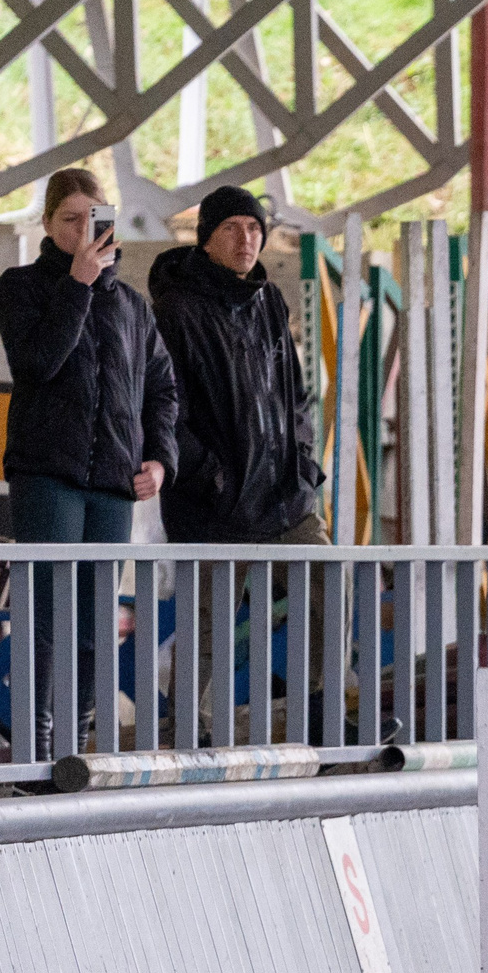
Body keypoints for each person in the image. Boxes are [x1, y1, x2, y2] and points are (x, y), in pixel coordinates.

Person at [0, 167, 179, 765]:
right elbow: (38, 364)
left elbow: (161, 389)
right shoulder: (20, 286)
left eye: (92, 219)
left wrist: (160, 457)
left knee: (98, 619)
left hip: (112, 482)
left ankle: (77, 750)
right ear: (48, 225)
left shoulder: (131, 305)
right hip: (47, 471)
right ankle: (34, 748)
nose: (82, 230)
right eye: (69, 219)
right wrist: (76, 285)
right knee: (47, 613)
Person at [148, 186, 328, 737]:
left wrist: (302, 463)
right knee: (208, 620)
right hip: (216, 502)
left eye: (254, 228)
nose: (246, 238)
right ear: (206, 239)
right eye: (231, 228)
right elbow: (165, 407)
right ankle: (188, 726)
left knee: (331, 580)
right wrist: (215, 479)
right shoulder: (175, 311)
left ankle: (319, 710)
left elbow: (294, 392)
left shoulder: (267, 300)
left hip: (283, 493)